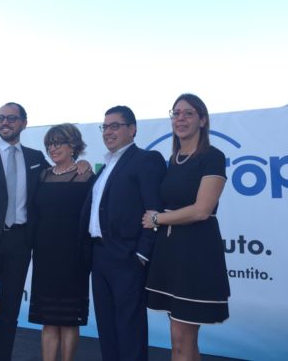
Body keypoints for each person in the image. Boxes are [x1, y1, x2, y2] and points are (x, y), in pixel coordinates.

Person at [0, 103, 90, 361]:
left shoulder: (36, 159)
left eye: (11, 118)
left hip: (20, 244)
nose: (5, 122)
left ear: (23, 123)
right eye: (0, 118)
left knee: (9, 316)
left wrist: (82, 162)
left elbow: (62, 170)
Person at [141, 93, 230, 361]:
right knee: (182, 339)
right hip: (170, 252)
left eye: (188, 113)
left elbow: (202, 210)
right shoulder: (174, 159)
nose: (180, 118)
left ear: (202, 120)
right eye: (176, 113)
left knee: (181, 338)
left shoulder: (213, 157)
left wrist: (157, 219)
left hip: (196, 253)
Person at [80, 105, 167, 361]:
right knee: (107, 329)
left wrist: (141, 254)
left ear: (132, 129)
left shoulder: (146, 160)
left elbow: (155, 209)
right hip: (99, 256)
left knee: (130, 330)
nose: (108, 132)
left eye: (115, 126)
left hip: (127, 257)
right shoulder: (105, 166)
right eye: (105, 127)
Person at [28, 123, 94, 361]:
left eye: (58, 143)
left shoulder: (86, 175)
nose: (52, 148)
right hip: (45, 256)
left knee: (68, 321)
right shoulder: (43, 175)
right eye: (49, 144)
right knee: (48, 321)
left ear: (73, 145)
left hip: (73, 257)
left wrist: (84, 163)